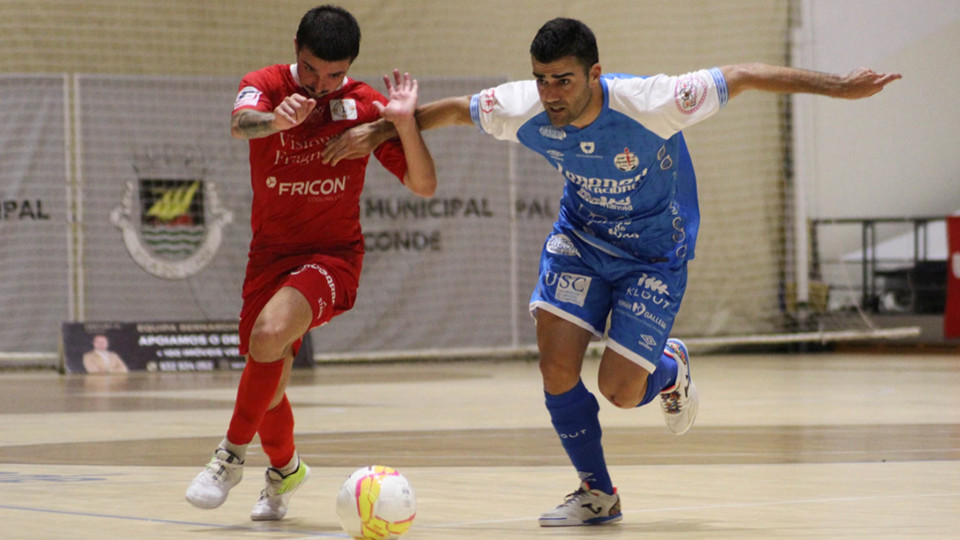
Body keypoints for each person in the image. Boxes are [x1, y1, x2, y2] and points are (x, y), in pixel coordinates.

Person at [322, 17, 900, 527]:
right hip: (580, 242)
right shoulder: (524, 104)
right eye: (542, 78)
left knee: (620, 391)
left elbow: (742, 74)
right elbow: (450, 111)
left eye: (563, 80)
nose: (550, 93)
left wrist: (839, 86)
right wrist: (376, 130)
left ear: (595, 73)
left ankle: (668, 369)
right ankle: (598, 493)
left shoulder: (653, 100)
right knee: (554, 368)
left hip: (654, 255)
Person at [184, 4, 437, 522]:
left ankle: (228, 458)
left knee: (268, 335)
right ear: (296, 49)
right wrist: (275, 120)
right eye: (312, 71)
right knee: (269, 384)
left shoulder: (363, 103)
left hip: (332, 258)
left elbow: (424, 184)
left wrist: (402, 123)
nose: (322, 85)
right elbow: (240, 124)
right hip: (269, 258)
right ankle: (285, 470)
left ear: (350, 67)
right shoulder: (266, 85)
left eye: (335, 74)